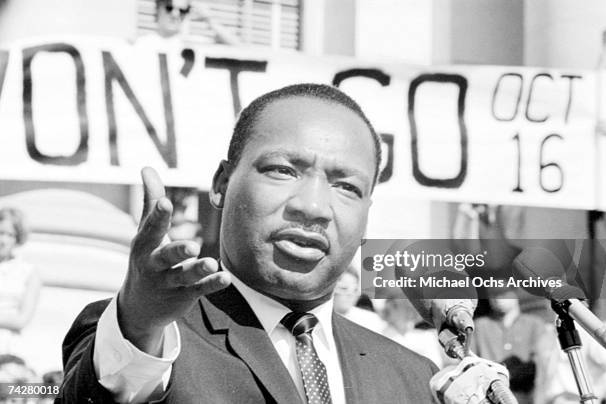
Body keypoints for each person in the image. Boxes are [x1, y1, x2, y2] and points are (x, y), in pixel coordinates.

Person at [57, 83, 506, 404]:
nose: (312, 206)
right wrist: (138, 326)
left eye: (346, 186)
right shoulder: (149, 336)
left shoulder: (413, 375)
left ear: (369, 209)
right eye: (282, 170)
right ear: (222, 183)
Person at [472, 289, 545, 404]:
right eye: (493, 294)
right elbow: (469, 363)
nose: (497, 298)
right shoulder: (479, 326)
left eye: (503, 293)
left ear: (515, 293)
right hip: (490, 396)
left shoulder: (534, 324)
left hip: (528, 396)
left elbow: (544, 365)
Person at [0, 208, 41, 357]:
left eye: (9, 235)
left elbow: (22, 319)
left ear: (17, 239)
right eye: (0, 232)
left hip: (8, 345)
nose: (3, 240)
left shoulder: (28, 273)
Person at [332, 267, 386, 333]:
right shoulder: (320, 319)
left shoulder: (372, 321)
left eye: (355, 290)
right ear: (331, 290)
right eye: (344, 288)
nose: (350, 294)